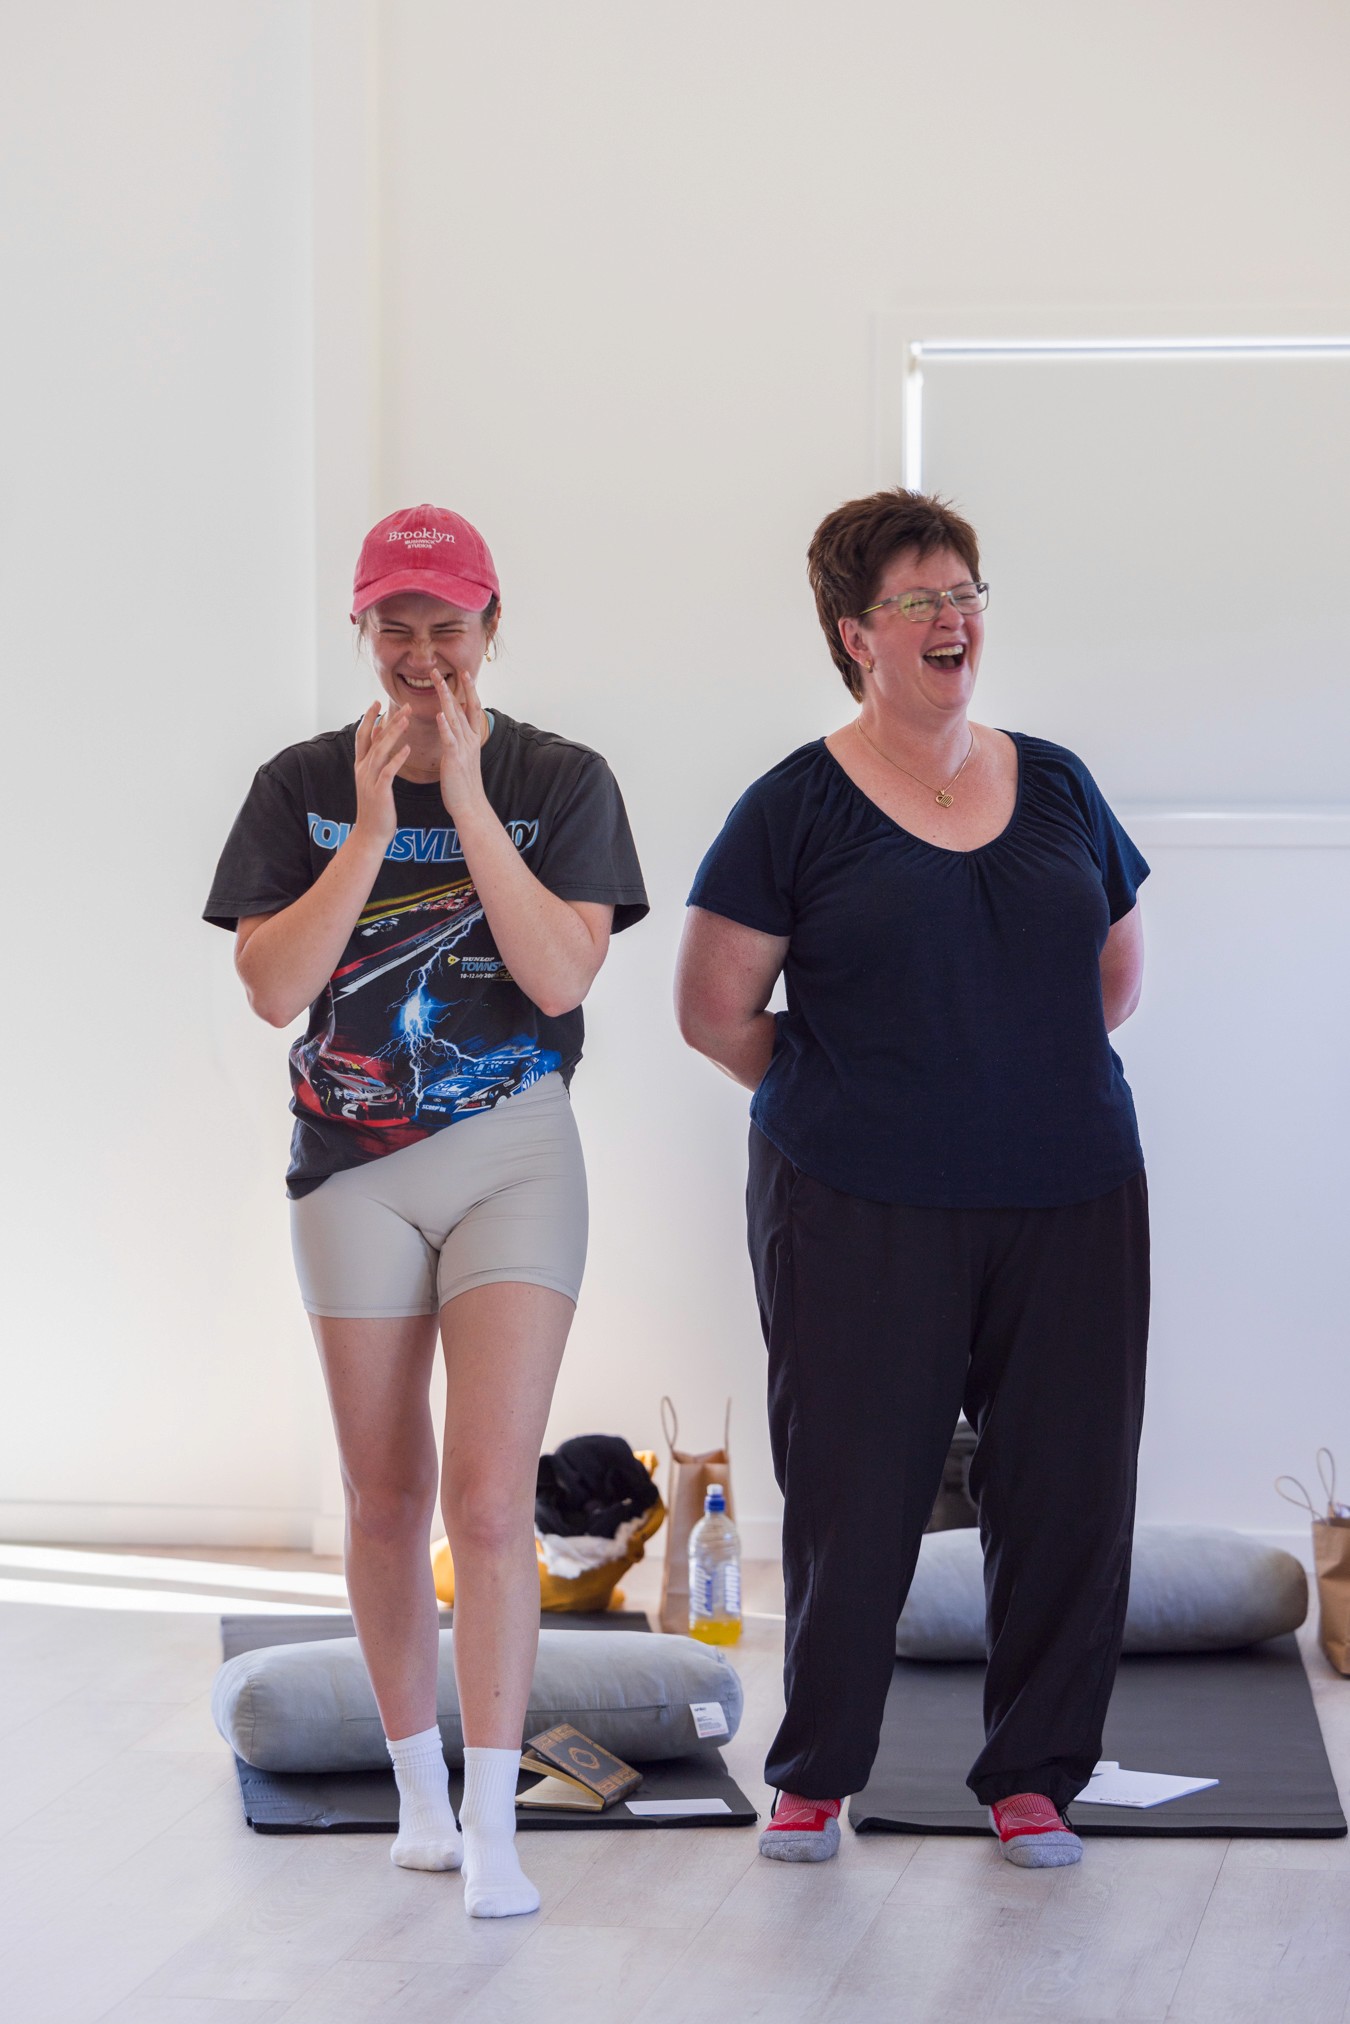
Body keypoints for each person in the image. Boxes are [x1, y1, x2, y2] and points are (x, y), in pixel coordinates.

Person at [675, 489, 1149, 1869]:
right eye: (918, 601)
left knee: (1066, 1487)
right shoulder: (794, 806)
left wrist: (1000, 1074)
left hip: (1071, 1190)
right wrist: (867, 1095)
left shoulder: (1054, 780)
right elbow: (714, 1011)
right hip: (856, 1200)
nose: (953, 621)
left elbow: (1108, 976)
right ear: (852, 636)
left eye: (966, 595)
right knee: (852, 1486)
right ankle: (817, 1777)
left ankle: (1033, 1782)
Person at [205, 503, 647, 1916]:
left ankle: (497, 1831)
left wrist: (462, 799)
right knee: (386, 1499)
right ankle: (416, 1804)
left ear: (489, 627)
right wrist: (380, 816)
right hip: (350, 1165)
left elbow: (561, 978)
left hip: (514, 1151)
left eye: (444, 626)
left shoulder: (559, 777)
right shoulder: (297, 783)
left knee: (484, 1495)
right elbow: (276, 989)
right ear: (361, 630)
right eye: (392, 625)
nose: (419, 652)